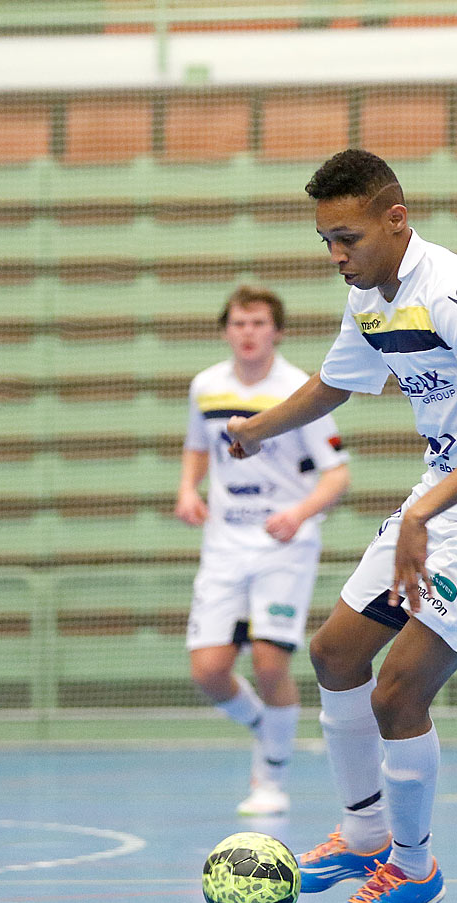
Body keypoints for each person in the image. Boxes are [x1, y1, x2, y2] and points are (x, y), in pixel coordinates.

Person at [224, 149, 457, 903]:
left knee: (397, 691)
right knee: (334, 654)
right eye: (326, 243)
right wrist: (258, 431)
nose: (338, 255)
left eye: (347, 237)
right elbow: (335, 382)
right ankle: (364, 831)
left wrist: (419, 517)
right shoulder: (371, 297)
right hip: (439, 502)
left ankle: (413, 869)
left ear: (395, 219)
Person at [175, 286, 352, 816]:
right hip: (225, 545)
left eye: (257, 323)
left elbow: (337, 474)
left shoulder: (300, 390)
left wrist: (299, 513)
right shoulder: (205, 386)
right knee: (208, 670)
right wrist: (188, 488)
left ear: (277, 330)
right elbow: (197, 447)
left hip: (285, 546)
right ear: (226, 330)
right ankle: (269, 728)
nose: (247, 332)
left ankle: (271, 779)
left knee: (272, 660)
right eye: (238, 323)